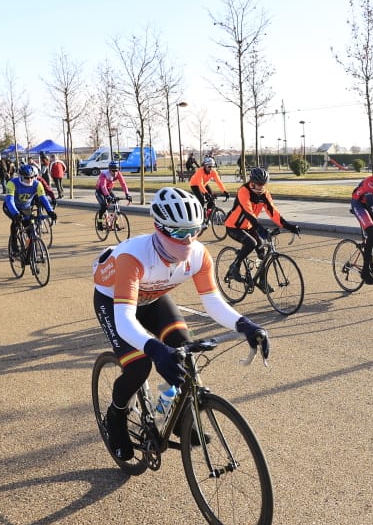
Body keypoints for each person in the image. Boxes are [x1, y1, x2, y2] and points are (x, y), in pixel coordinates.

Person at [93, 187, 270, 460]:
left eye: (194, 230)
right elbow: (125, 320)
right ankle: (115, 416)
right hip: (113, 302)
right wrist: (153, 348)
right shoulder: (134, 256)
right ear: (158, 227)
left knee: (183, 350)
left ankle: (178, 417)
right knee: (140, 365)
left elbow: (212, 302)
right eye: (177, 232)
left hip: (152, 299)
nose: (187, 239)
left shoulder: (200, 255)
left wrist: (245, 325)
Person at [222, 166, 299, 282]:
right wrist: (260, 228)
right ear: (252, 183)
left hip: (249, 226)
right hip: (234, 226)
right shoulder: (243, 191)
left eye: (264, 184)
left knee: (261, 248)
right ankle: (234, 267)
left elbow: (274, 213)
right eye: (259, 184)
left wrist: (289, 226)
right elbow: (248, 213)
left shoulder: (264, 194)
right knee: (251, 243)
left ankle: (262, 281)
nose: (262, 187)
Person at [2, 162, 56, 253]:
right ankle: (14, 243)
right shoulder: (12, 183)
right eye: (26, 178)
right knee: (16, 222)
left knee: (30, 229)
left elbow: (43, 198)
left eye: (32, 177)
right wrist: (15, 214)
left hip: (25, 207)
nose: (30, 180)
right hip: (11, 207)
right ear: (21, 177)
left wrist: (50, 211)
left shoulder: (37, 184)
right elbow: (9, 200)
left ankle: (30, 251)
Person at [187, 156, 229, 224]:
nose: (211, 168)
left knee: (212, 198)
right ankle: (201, 216)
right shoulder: (200, 171)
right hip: (195, 184)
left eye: (212, 166)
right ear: (205, 166)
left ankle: (207, 214)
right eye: (209, 166)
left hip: (204, 184)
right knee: (201, 199)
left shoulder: (213, 172)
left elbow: (219, 182)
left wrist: (225, 191)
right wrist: (206, 193)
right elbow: (200, 184)